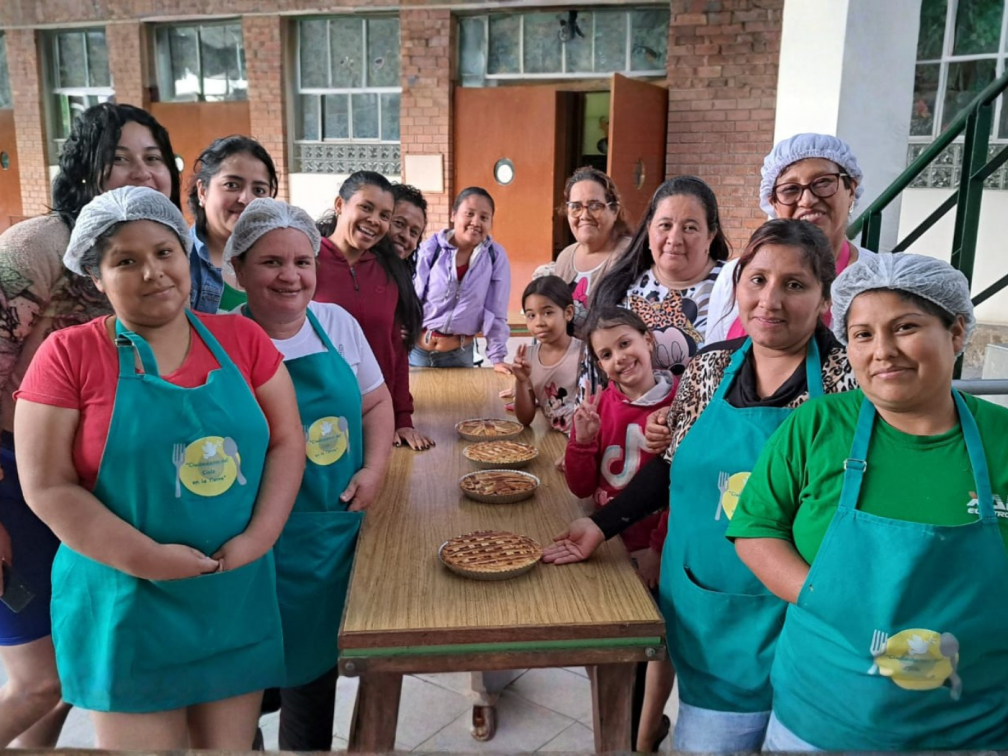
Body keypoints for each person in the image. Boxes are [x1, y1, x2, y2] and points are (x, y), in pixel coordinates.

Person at [544, 220, 857, 752]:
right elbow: (672, 466)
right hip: (704, 606)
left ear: (825, 298)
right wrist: (601, 526)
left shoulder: (846, 383)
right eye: (757, 280)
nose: (770, 300)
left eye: (794, 284)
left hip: (797, 615)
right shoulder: (709, 368)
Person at [13, 187, 303, 749]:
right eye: (126, 261)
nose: (153, 272)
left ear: (185, 255)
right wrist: (146, 558)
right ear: (96, 277)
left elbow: (287, 441)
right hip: (124, 601)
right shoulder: (68, 355)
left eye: (165, 252)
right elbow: (47, 486)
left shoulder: (241, 338)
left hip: (231, 591)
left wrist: (259, 538)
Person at [730, 252, 1008, 751]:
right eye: (862, 334)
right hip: (817, 719)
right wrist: (821, 595)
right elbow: (756, 528)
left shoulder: (1002, 438)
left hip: (971, 728)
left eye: (905, 327)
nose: (883, 351)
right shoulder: (816, 425)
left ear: (956, 332)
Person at [0, 102, 181, 749]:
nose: (142, 171)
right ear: (84, 169)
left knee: (73, 672)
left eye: (154, 158)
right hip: (16, 480)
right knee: (40, 682)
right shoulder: (35, 248)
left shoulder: (162, 260)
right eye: (121, 158)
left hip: (101, 488)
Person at [226, 198, 394, 750]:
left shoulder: (337, 324)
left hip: (326, 531)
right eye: (271, 262)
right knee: (241, 683)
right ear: (238, 269)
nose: (290, 276)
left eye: (302, 261)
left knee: (312, 680)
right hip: (246, 540)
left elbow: (376, 403)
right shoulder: (219, 340)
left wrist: (373, 469)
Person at [706, 132, 874, 343]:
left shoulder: (874, 278)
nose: (807, 200)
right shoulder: (734, 275)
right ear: (773, 203)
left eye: (823, 182)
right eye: (790, 189)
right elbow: (714, 353)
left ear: (851, 190)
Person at [314, 171, 431, 451]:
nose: (374, 220)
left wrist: (402, 418)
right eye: (366, 207)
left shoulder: (389, 272)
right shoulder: (306, 260)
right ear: (340, 205)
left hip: (375, 420)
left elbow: (396, 351)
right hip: (317, 420)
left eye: (384, 215)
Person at [588, 176, 730, 386]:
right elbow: (595, 374)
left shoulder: (734, 286)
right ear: (649, 229)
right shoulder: (618, 289)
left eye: (690, 228)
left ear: (711, 235)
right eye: (665, 225)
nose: (674, 239)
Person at [411, 187, 511, 372]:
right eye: (469, 214)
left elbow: (496, 309)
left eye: (484, 217)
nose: (476, 222)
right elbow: (412, 298)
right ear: (453, 215)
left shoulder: (494, 256)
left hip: (459, 355)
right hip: (417, 352)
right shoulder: (431, 249)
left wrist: (497, 358)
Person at [188, 135, 278, 313]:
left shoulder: (285, 259)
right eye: (231, 185)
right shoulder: (178, 263)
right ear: (202, 192)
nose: (246, 199)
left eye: (259, 190)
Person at [554, 166, 634, 331]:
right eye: (576, 207)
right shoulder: (565, 257)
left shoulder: (628, 254)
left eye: (595, 206)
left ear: (614, 210)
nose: (584, 215)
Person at [511, 276, 583, 434]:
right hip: (554, 440)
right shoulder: (528, 358)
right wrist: (521, 381)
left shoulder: (585, 354)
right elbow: (525, 419)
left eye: (548, 313)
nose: (539, 322)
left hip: (585, 441)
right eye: (531, 315)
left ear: (568, 313)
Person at [388, 183, 428, 276]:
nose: (406, 236)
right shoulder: (356, 269)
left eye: (413, 232)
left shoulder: (404, 278)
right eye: (399, 223)